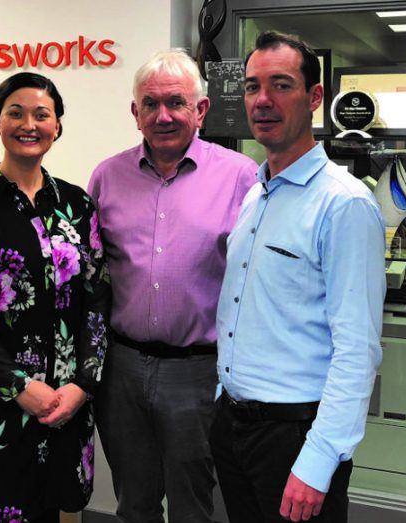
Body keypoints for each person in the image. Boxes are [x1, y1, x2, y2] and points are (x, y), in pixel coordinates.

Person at [211, 31, 385, 523]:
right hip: (234, 423)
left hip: (295, 436)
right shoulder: (255, 194)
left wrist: (318, 459)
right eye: (251, 87)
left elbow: (357, 350)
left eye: (281, 85)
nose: (262, 101)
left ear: (314, 97)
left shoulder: (344, 204)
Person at [0, 72, 109, 523]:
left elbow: (97, 297)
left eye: (41, 114)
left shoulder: (77, 204)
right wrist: (19, 387)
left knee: (52, 509)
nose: (29, 124)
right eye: (15, 112)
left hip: (64, 402)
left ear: (58, 126)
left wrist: (83, 385)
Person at [88, 50, 257, 522]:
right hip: (121, 369)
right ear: (135, 113)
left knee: (193, 504)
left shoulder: (241, 177)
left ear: (200, 111)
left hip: (198, 372)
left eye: (176, 102)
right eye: (150, 103)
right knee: (134, 501)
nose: (163, 116)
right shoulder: (106, 177)